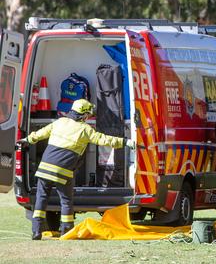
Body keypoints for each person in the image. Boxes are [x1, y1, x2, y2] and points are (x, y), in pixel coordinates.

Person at [18, 99, 132, 240]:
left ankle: (36, 231)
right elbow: (103, 139)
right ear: (84, 115)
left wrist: (27, 140)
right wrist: (125, 142)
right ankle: (67, 232)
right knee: (65, 201)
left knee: (41, 199)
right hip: (63, 172)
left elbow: (41, 133)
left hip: (44, 169)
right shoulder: (85, 129)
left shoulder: (59, 122)